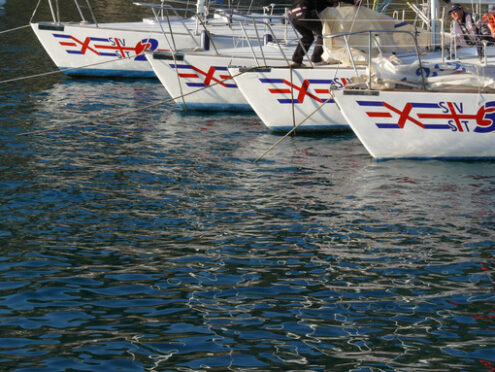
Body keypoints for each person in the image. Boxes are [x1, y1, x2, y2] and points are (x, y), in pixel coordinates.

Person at [288, 0, 357, 67]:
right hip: (304, 13)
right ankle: (316, 59)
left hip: (292, 15)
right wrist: (353, 2)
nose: (335, 6)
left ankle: (296, 61)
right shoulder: (323, 3)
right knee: (323, 34)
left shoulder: (321, 3)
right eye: (336, 4)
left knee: (307, 37)